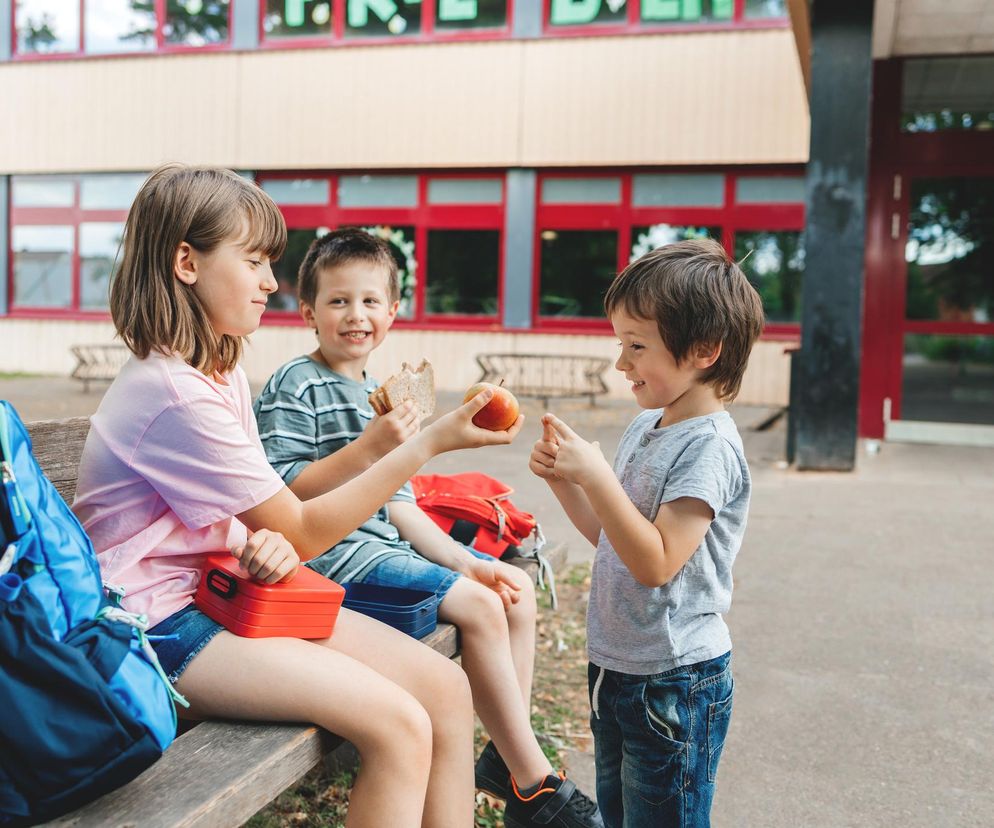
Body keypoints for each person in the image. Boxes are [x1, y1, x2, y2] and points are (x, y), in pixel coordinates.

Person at [71, 164, 525, 828]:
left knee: (446, 690)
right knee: (398, 724)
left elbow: (271, 523)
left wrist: (266, 542)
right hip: (154, 627)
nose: (270, 282)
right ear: (186, 262)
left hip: (225, 590)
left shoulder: (219, 370)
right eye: (253, 260)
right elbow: (304, 526)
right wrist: (424, 444)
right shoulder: (172, 391)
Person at [254, 228, 602, 828]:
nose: (354, 315)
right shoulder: (296, 382)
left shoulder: (381, 394)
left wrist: (468, 562)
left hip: (383, 554)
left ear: (392, 312)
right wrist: (369, 449)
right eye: (337, 302)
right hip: (332, 562)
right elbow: (282, 492)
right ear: (308, 312)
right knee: (482, 609)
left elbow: (403, 506)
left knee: (510, 596)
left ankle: (503, 756)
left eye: (369, 302)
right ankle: (534, 782)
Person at [529, 238, 764, 828]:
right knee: (619, 816)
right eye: (620, 345)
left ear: (705, 351)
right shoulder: (645, 424)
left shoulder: (709, 447)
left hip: (675, 681)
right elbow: (617, 542)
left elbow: (657, 562)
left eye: (637, 347)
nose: (621, 364)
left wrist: (598, 475)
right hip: (619, 669)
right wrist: (567, 482)